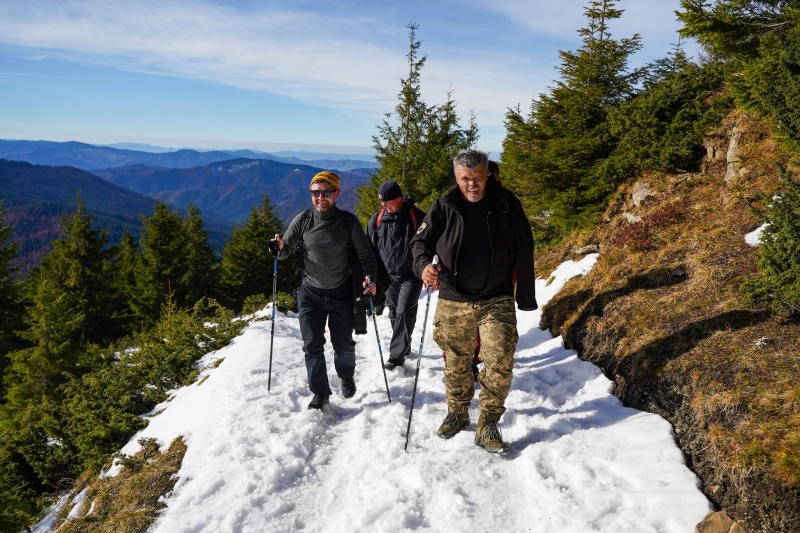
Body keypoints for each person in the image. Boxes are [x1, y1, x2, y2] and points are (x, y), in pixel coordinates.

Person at [411, 150, 537, 454]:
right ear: (457, 178)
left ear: (487, 174)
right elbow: (420, 243)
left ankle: (489, 422)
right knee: (456, 361)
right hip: (454, 297)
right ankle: (457, 412)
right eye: (465, 179)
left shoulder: (506, 203)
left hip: (497, 296)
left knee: (499, 358)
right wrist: (424, 267)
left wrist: (526, 295)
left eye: (477, 177)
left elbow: (524, 246)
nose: (472, 184)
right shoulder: (444, 205)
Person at [271, 171, 377, 410]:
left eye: (326, 192)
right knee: (312, 346)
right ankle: (320, 393)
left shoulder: (348, 222)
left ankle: (346, 375)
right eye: (315, 193)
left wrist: (370, 277)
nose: (320, 197)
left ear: (336, 193)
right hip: (311, 294)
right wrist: (278, 248)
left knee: (343, 345)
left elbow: (366, 255)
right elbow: (286, 249)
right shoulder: (303, 220)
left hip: (341, 292)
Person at [366, 181, 425, 370]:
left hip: (412, 274)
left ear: (399, 199)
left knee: (403, 310)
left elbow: (430, 244)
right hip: (387, 276)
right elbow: (369, 248)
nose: (384, 206)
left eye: (388, 202)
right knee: (394, 312)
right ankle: (404, 346)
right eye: (382, 202)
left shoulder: (417, 218)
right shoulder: (378, 219)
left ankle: (396, 357)